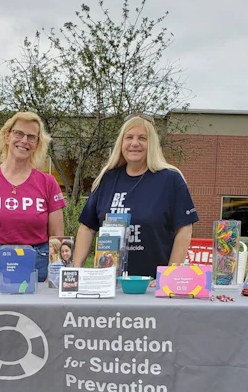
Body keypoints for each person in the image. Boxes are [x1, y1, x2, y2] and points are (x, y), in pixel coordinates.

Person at [73, 113, 199, 287]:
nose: (134, 143)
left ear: (152, 144)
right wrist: (76, 270)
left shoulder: (171, 180)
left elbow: (184, 229)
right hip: (109, 285)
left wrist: (169, 275)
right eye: (129, 137)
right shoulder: (107, 180)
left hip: (152, 286)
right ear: (121, 143)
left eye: (142, 138)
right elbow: (87, 227)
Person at [0, 112, 66, 284]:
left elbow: (57, 236)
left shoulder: (48, 182)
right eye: (19, 133)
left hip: (38, 265)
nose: (24, 140)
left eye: (32, 137)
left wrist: (53, 274)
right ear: (7, 136)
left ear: (37, 144)